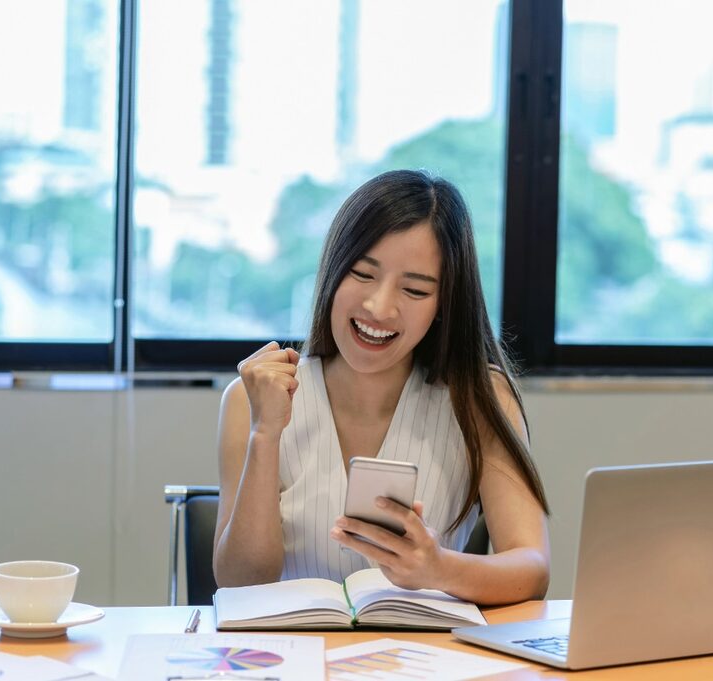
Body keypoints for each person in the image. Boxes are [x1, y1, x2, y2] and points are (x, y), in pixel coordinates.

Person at [213, 169, 550, 605]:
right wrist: (265, 433)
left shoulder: (481, 398)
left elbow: (533, 569)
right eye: (362, 273)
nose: (379, 307)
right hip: (293, 657)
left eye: (414, 289)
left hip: (428, 660)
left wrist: (438, 567)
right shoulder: (250, 398)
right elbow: (240, 584)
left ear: (444, 304)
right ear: (333, 269)